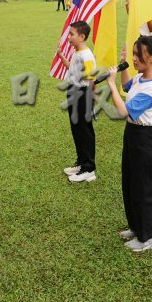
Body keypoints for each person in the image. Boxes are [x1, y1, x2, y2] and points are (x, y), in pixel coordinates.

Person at [105, 35, 152, 253]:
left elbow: (124, 111)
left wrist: (110, 84)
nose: (134, 59)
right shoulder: (140, 78)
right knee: (130, 183)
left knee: (144, 188)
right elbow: (126, 86)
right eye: (132, 54)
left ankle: (149, 237)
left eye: (138, 55)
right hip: (132, 134)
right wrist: (122, 68)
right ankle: (136, 226)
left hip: (146, 139)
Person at [59, 20, 97, 183]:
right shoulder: (77, 52)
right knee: (77, 130)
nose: (69, 37)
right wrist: (61, 57)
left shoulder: (86, 56)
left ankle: (89, 168)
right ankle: (81, 162)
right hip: (74, 92)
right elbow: (72, 70)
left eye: (71, 34)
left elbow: (91, 81)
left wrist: (90, 103)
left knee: (84, 131)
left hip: (82, 95)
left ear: (82, 36)